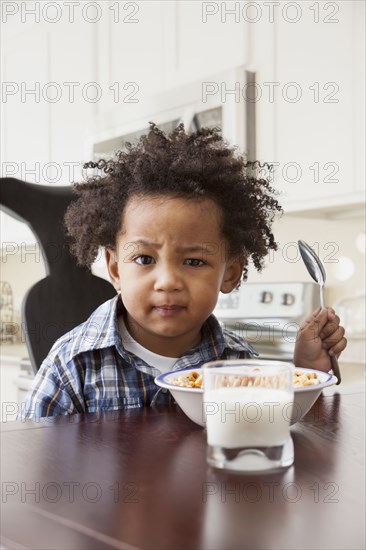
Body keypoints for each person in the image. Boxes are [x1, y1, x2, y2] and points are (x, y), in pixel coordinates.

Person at [21, 124, 347, 419]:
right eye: (145, 259)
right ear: (116, 268)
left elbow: (265, 432)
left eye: (193, 261)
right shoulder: (73, 365)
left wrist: (308, 370)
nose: (167, 282)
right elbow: (32, 462)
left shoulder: (238, 362)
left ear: (230, 273)